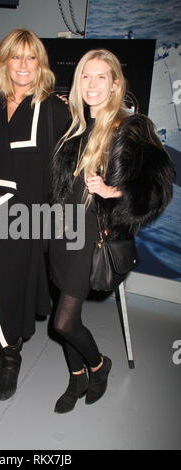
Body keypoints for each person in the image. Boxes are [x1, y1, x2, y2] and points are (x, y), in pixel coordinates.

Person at [49, 49, 175, 413]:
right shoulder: (74, 126)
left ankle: (99, 367)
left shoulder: (129, 128)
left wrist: (114, 191)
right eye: (86, 76)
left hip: (92, 238)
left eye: (101, 76)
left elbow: (158, 186)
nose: (92, 84)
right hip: (61, 233)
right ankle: (75, 378)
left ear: (115, 83)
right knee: (66, 315)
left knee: (63, 322)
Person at [0, 29, 70, 400]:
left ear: (40, 64)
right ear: (4, 61)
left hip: (25, 217)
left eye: (31, 57)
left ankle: (10, 357)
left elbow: (71, 166)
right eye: (16, 57)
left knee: (10, 285)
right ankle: (5, 346)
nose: (23, 65)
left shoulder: (53, 108)